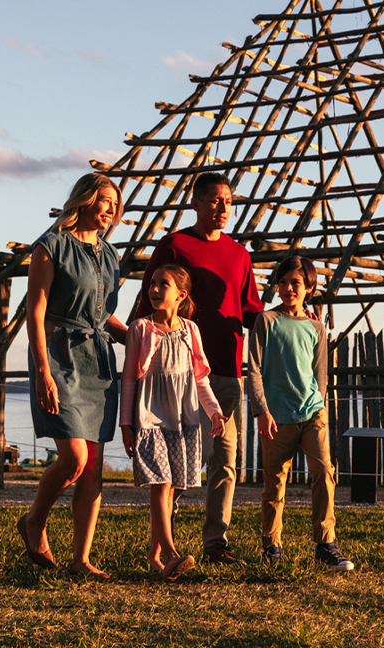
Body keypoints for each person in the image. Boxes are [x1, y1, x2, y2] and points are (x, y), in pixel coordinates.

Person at [135, 172, 263, 565]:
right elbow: (149, 298)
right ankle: (164, 542)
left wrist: (291, 317)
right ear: (196, 202)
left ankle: (215, 544)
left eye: (228, 201)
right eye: (214, 200)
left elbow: (251, 309)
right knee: (179, 460)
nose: (223, 208)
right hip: (178, 374)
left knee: (225, 458)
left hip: (226, 369)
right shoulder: (175, 244)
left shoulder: (240, 255)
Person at [17, 173, 126, 580]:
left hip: (97, 359)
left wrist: (134, 338)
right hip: (59, 355)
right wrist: (43, 369)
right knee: (74, 459)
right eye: (104, 201)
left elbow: (102, 313)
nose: (110, 210)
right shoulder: (51, 245)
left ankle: (82, 559)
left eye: (115, 204)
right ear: (84, 200)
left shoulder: (110, 254)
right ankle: (34, 520)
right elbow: (36, 310)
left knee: (93, 465)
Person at [120, 265, 227, 581]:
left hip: (183, 420)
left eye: (161, 284)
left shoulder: (190, 330)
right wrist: (126, 424)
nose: (153, 290)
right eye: (150, 284)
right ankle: (170, 552)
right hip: (150, 417)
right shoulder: (140, 328)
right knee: (161, 484)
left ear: (181, 295)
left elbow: (200, 379)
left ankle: (154, 556)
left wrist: (214, 412)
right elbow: (128, 380)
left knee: (172, 486)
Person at [248, 256, 354, 572]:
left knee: (324, 471)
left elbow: (320, 373)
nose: (288, 288)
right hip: (276, 415)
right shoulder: (265, 321)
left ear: (309, 287)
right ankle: (272, 546)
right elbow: (253, 369)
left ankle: (325, 543)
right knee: (274, 483)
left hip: (312, 412)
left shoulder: (316, 327)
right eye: (283, 282)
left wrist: (319, 404)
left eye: (295, 283)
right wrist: (261, 410)